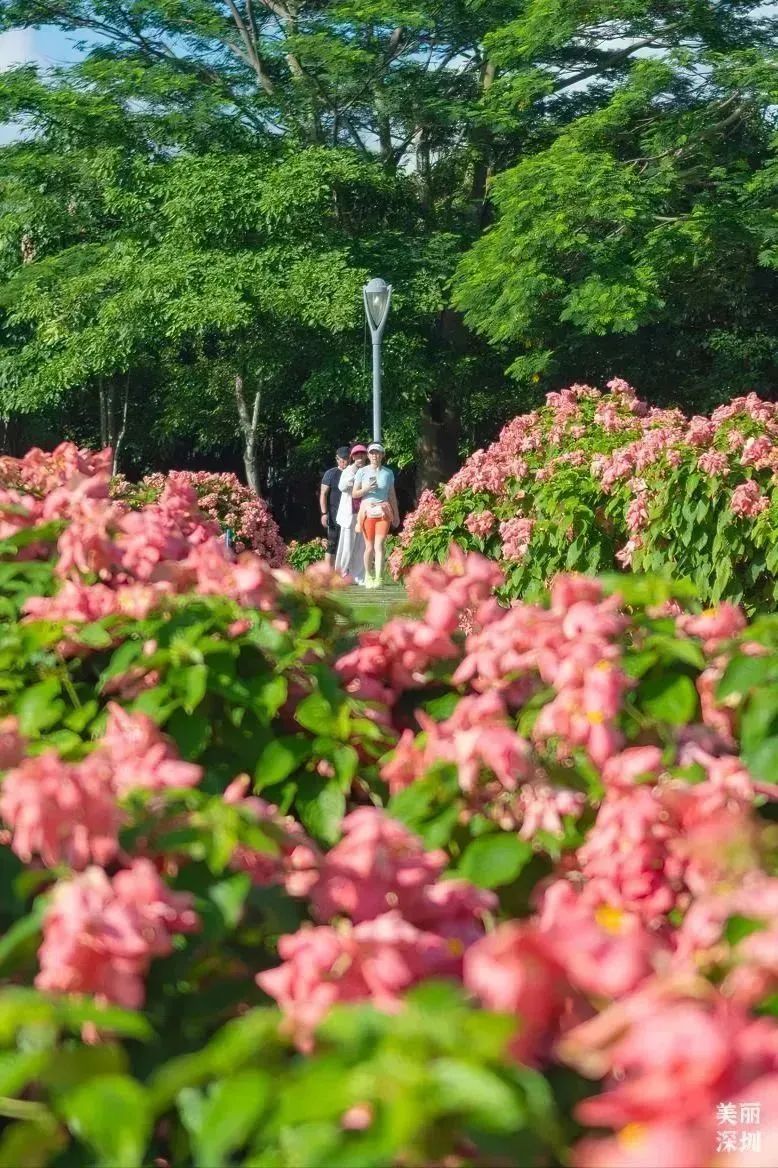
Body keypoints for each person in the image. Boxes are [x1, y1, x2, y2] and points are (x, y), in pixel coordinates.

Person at [353, 442, 400, 588]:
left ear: (382, 455)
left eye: (377, 453)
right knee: (369, 546)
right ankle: (368, 575)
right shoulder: (362, 472)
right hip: (367, 511)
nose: (374, 456)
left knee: (379, 545)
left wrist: (396, 514)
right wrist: (366, 489)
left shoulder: (388, 473)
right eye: (372, 453)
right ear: (368, 455)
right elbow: (354, 494)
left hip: (383, 511)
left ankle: (379, 578)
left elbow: (391, 494)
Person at [334, 444, 367, 583]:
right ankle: (341, 574)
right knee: (346, 546)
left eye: (362, 455)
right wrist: (357, 480)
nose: (359, 458)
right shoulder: (349, 470)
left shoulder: (368, 470)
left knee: (361, 546)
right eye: (357, 455)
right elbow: (342, 486)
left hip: (364, 512)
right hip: (350, 513)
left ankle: (358, 575)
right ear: (352, 457)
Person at [319, 446, 350, 569]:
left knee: (349, 544)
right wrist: (324, 513)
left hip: (350, 514)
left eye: (346, 459)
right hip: (334, 514)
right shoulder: (330, 473)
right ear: (337, 459)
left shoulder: (354, 472)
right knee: (332, 544)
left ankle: (347, 573)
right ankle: (328, 574)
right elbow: (323, 494)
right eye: (341, 459)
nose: (343, 462)